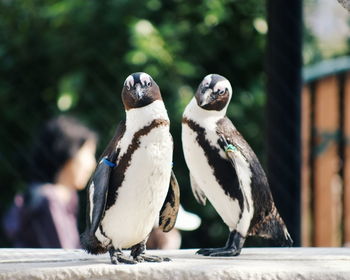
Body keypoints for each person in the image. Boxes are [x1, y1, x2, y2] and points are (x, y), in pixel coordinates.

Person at [3, 116, 97, 248]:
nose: (93, 164)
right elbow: (63, 260)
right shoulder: (50, 199)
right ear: (69, 154)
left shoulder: (64, 198)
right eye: (89, 153)